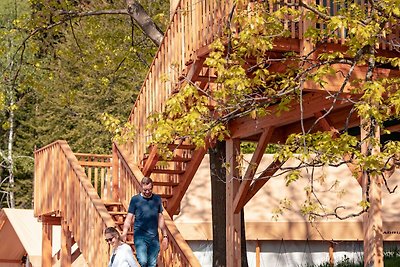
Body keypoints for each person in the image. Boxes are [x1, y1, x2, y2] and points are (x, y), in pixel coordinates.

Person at [121, 177, 168, 267]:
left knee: (152, 264)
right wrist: (124, 233)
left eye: (149, 190)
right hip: (140, 236)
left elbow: (160, 217)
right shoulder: (135, 200)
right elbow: (129, 218)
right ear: (141, 187)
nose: (147, 192)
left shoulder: (157, 199)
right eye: (145, 190)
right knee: (143, 261)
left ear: (152, 187)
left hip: (154, 237)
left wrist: (165, 236)